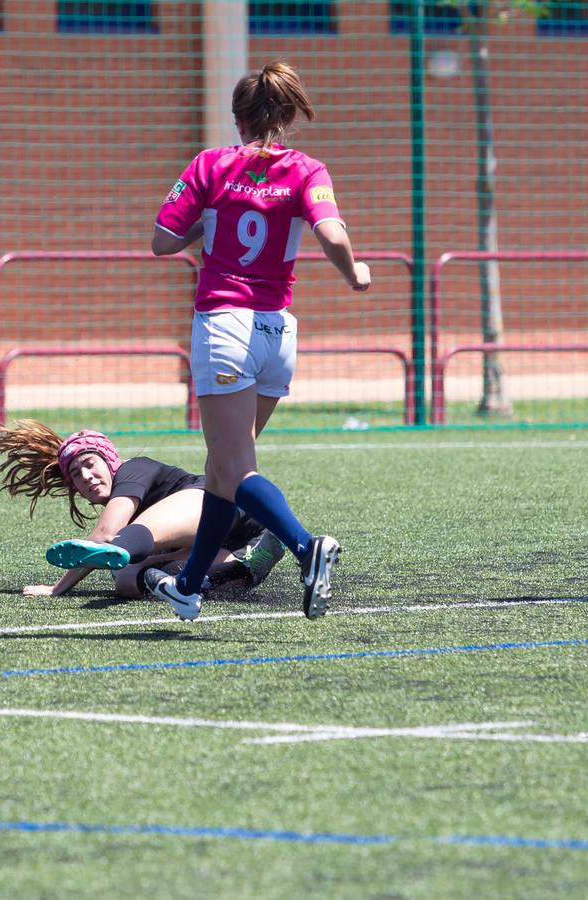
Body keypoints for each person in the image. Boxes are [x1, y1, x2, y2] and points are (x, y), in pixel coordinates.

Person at [150, 60, 370, 622]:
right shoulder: (308, 170)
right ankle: (190, 585)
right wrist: (353, 272)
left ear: (237, 119)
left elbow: (163, 240)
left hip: (225, 326)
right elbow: (329, 231)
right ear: (290, 117)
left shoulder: (212, 165)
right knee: (222, 470)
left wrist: (213, 215)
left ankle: (305, 547)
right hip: (277, 329)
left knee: (235, 467)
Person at [0, 419, 285, 600]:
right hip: (224, 541)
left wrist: (57, 588)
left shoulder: (133, 470)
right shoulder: (120, 490)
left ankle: (259, 544)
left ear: (110, 460)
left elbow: (106, 533)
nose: (86, 476)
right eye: (76, 474)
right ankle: (238, 567)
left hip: (221, 507)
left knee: (123, 543)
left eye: (90, 464)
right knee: (128, 579)